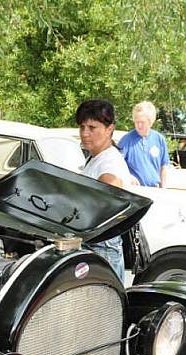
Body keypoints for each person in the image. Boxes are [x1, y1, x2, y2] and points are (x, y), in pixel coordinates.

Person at [76, 99, 132, 283]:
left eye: (92, 127)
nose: (85, 133)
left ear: (109, 129)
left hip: (102, 248)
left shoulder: (110, 162)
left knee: (104, 309)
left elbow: (111, 189)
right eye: (82, 127)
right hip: (95, 245)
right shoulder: (96, 158)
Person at [119, 101, 170, 187]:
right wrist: (128, 177)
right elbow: (116, 165)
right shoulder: (126, 140)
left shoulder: (159, 139)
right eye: (136, 122)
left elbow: (163, 166)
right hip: (135, 192)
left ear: (151, 122)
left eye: (142, 122)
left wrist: (163, 189)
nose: (139, 125)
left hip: (155, 190)